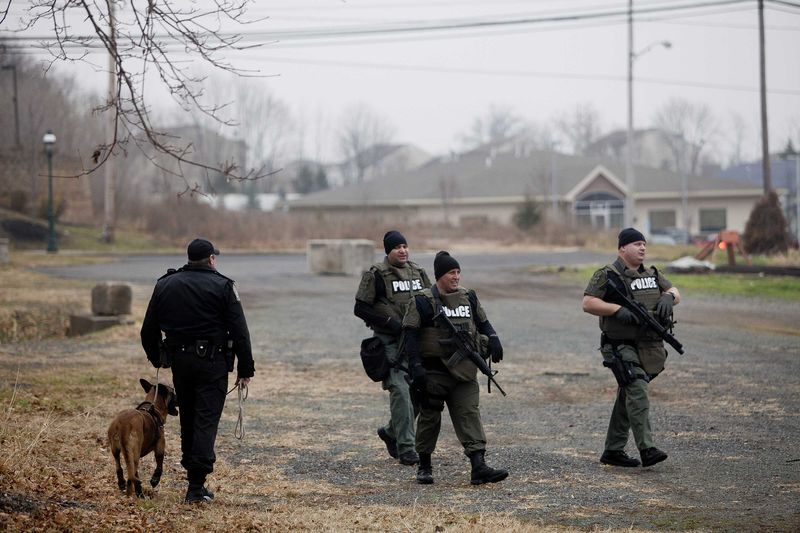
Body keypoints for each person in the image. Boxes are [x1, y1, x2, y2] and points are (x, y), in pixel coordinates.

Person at [141, 238, 255, 503]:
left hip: (181, 362)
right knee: (205, 421)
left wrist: (158, 357)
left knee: (188, 419)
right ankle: (195, 486)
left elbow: (148, 329)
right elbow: (240, 332)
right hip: (212, 364)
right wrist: (245, 369)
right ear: (211, 259)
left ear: (190, 258)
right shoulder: (224, 286)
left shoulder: (165, 285)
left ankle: (193, 477)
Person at [402, 251, 508, 485]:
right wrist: (416, 366)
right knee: (429, 418)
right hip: (434, 372)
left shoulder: (468, 297)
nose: (456, 277)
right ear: (440, 275)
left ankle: (478, 466)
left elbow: (483, 322)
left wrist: (493, 337)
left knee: (469, 414)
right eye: (452, 273)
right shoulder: (422, 301)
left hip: (465, 371)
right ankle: (425, 465)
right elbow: (410, 336)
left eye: (459, 272)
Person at [582, 228, 681, 468]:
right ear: (622, 248)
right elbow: (588, 303)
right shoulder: (608, 274)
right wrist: (617, 310)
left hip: (648, 345)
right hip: (619, 345)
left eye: (644, 244)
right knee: (636, 387)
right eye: (637, 244)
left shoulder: (652, 273)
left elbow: (675, 292)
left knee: (629, 393)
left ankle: (613, 451)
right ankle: (647, 448)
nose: (642, 248)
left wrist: (668, 297)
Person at [354, 230, 431, 466]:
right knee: (400, 389)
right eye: (397, 247)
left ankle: (390, 432)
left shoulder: (418, 272)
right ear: (388, 251)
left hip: (415, 341)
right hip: (390, 342)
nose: (403, 250)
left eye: (405, 246)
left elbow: (430, 301)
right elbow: (360, 308)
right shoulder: (376, 275)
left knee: (419, 390)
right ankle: (406, 447)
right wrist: (391, 323)